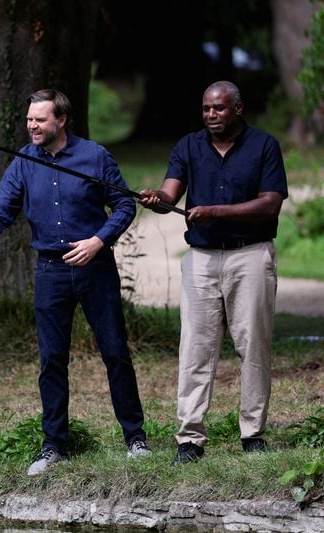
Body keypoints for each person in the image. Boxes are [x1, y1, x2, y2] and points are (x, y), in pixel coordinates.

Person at [0, 89, 150, 476]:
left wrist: (98, 241)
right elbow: (0, 212)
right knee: (52, 359)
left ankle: (135, 438)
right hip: (51, 272)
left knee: (115, 352)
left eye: (40, 120)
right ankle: (54, 445)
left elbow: (124, 204)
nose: (32, 126)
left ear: (61, 120)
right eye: (29, 120)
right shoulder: (23, 162)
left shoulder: (94, 156)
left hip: (95, 267)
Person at [139, 80, 288, 464]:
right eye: (206, 108)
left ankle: (253, 435)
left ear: (238, 109)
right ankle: (190, 439)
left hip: (250, 255)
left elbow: (270, 203)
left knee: (253, 346)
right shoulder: (188, 146)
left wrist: (215, 212)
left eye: (219, 108)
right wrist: (157, 199)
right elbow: (170, 194)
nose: (211, 115)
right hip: (201, 260)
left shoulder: (264, 146)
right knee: (195, 348)